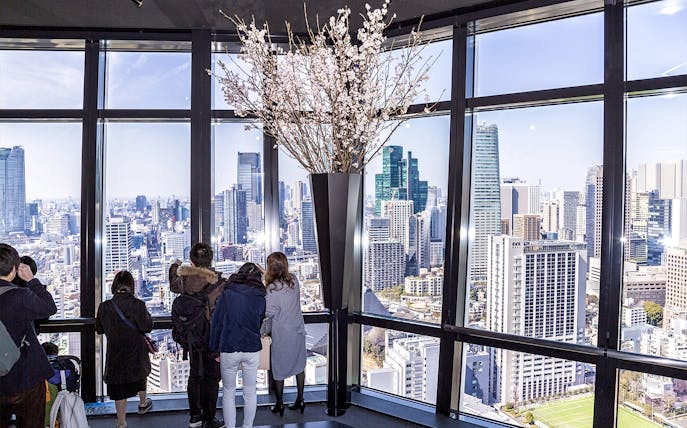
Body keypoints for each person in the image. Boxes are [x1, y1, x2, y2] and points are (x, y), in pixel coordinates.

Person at [0, 243, 57, 428]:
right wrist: (32, 280)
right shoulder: (20, 296)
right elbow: (49, 307)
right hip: (27, 377)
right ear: (15, 269)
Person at [170, 243, 224, 428]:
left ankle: (195, 416)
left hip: (191, 337)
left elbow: (172, 285)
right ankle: (209, 418)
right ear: (211, 259)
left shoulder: (183, 280)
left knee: (195, 376)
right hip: (211, 337)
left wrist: (175, 267)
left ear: (192, 260)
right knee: (212, 379)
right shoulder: (217, 282)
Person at [210, 263, 266, 428]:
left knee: (228, 391)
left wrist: (215, 349)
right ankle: (247, 426)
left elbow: (216, 322)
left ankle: (231, 426)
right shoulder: (260, 297)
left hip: (229, 346)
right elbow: (259, 322)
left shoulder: (227, 293)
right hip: (251, 347)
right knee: (250, 391)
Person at [95, 270, 154, 428]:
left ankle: (121, 422)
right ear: (131, 286)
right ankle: (143, 403)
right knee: (141, 375)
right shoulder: (138, 305)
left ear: (114, 285)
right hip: (136, 351)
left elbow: (99, 329)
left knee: (119, 387)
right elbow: (147, 326)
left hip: (116, 353)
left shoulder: (105, 306)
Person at [262, 252, 307, 415]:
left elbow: (269, 312)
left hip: (282, 333)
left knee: (279, 368)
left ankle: (280, 403)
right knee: (299, 365)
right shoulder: (294, 280)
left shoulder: (272, 289)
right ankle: (300, 399)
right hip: (297, 330)